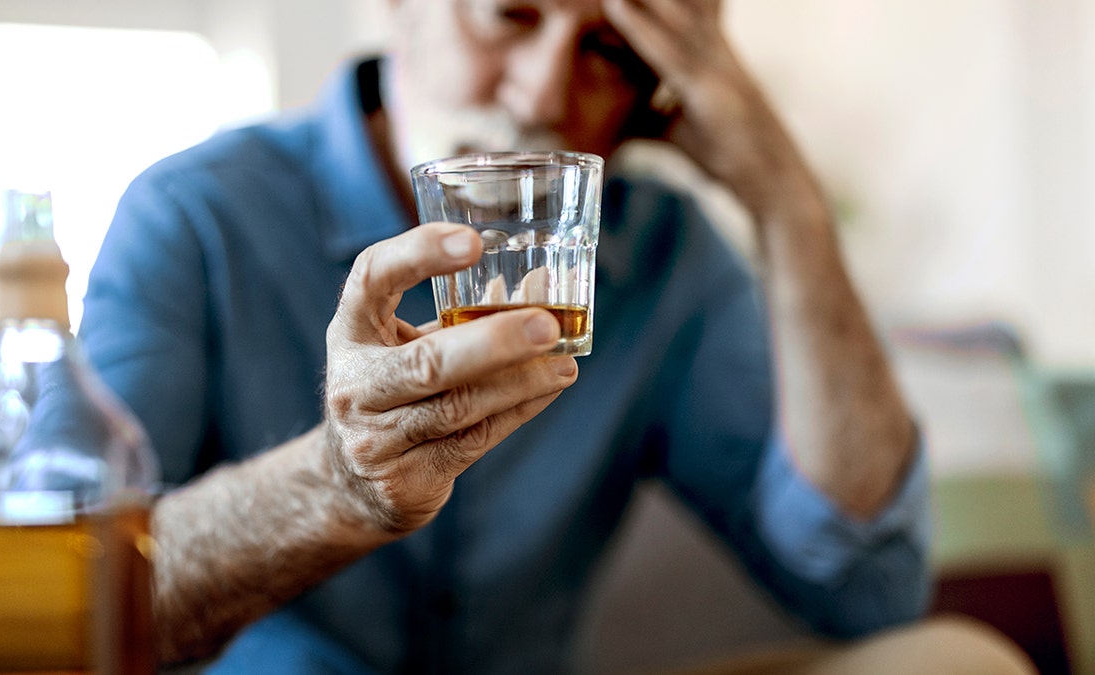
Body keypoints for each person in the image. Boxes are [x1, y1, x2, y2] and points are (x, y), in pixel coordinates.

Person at [79, 0, 1035, 673]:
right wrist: (338, 481)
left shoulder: (665, 253)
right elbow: (67, 608)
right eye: (509, 15)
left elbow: (865, 588)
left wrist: (781, 195)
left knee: (957, 662)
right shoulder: (196, 217)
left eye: (609, 50)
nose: (543, 95)